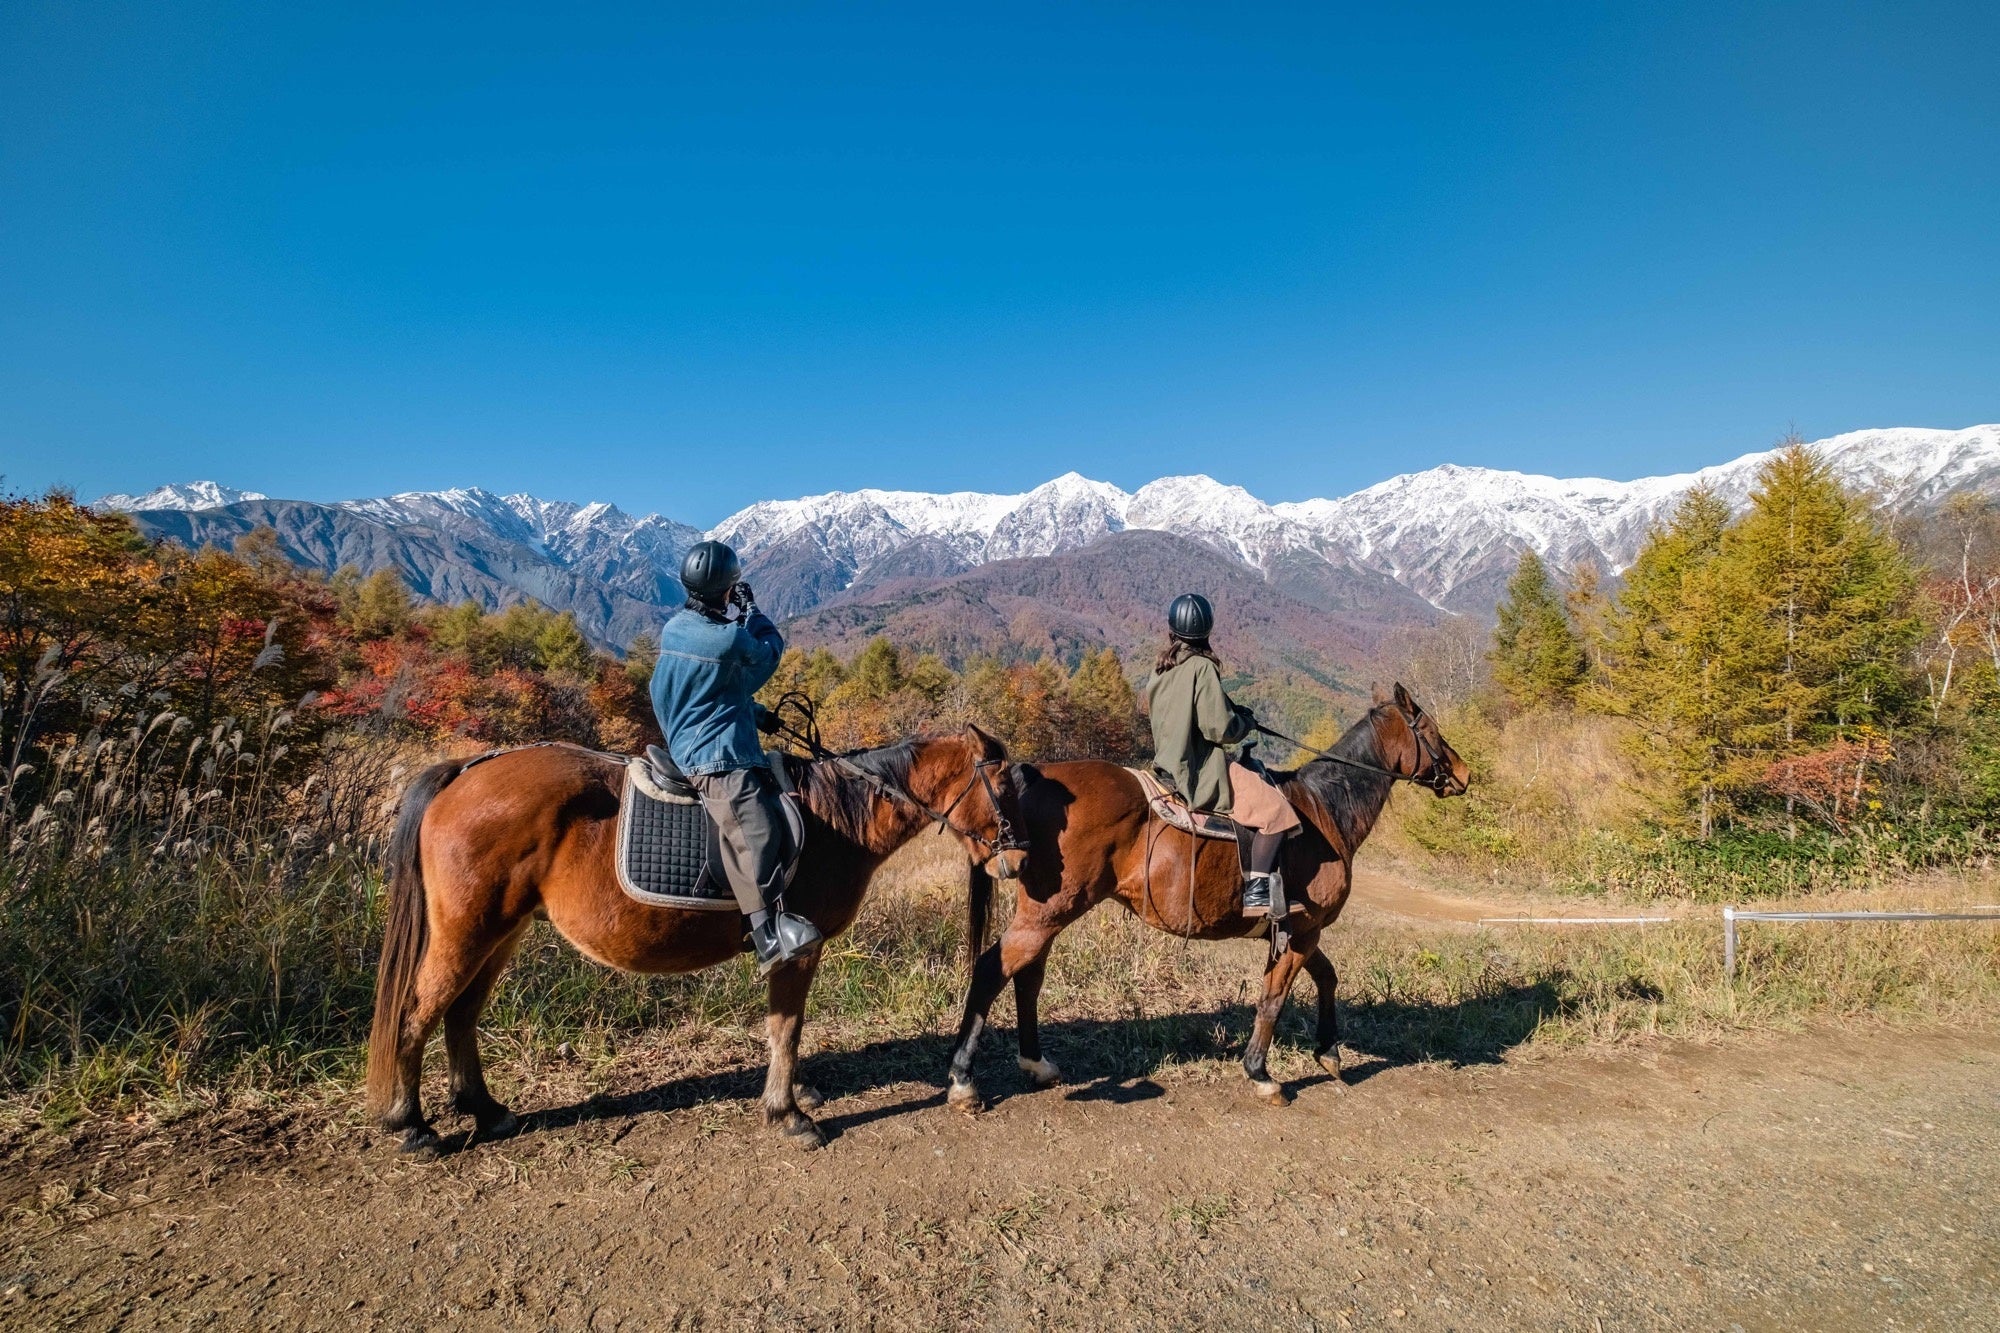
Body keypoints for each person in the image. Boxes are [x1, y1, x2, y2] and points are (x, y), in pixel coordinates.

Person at [651, 539, 823, 972]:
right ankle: (767, 934)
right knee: (758, 831)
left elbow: (708, 688)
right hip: (714, 753)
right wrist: (753, 611)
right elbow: (769, 652)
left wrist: (756, 714)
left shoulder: (676, 628)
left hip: (688, 731)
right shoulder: (727, 639)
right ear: (729, 588)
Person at [1141, 593, 1302, 917]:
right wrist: (1244, 723)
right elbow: (1220, 730)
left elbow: (1192, 713)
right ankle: (1257, 891)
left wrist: (1233, 711)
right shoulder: (1202, 667)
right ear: (1206, 631)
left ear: (1172, 630)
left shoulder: (1161, 669)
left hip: (1166, 764)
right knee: (1276, 812)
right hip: (1197, 769)